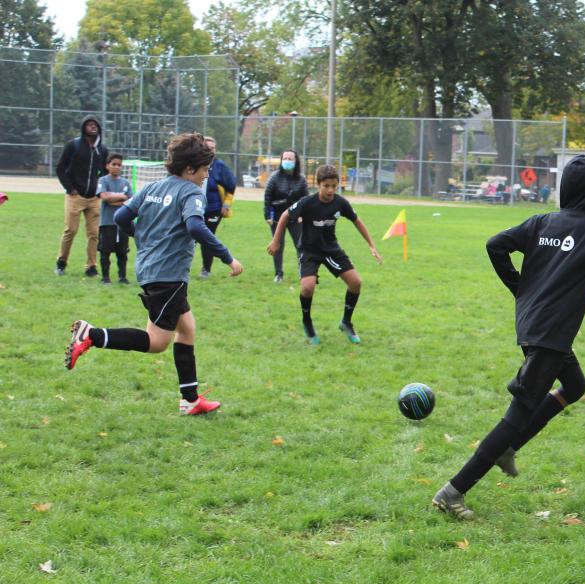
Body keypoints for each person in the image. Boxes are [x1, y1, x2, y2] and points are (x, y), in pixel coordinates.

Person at [432, 155, 585, 519]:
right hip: (550, 334)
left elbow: (496, 244)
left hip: (535, 326)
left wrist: (520, 288)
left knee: (574, 385)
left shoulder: (542, 222)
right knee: (518, 412)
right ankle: (452, 492)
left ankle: (510, 448)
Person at [64, 133, 244, 415]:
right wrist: (228, 257)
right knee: (158, 342)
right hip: (168, 276)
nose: (207, 175)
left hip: (152, 269)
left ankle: (190, 400)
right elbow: (196, 227)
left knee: (187, 329)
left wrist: (143, 238)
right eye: (205, 170)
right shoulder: (191, 192)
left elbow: (123, 217)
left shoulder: (153, 187)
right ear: (189, 169)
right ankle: (92, 335)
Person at [267, 164, 382, 345]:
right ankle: (307, 322)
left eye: (334, 186)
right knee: (307, 287)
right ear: (318, 185)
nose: (330, 190)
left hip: (330, 249)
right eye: (326, 186)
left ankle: (346, 322)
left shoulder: (340, 203)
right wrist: (276, 241)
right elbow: (284, 216)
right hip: (309, 250)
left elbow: (357, 221)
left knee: (356, 283)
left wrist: (372, 245)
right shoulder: (307, 202)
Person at [55, 115, 109, 277]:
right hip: (75, 196)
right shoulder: (74, 145)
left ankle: (91, 267)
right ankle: (61, 263)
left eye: (95, 125)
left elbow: (105, 172)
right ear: (83, 128)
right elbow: (60, 168)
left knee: (94, 234)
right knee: (70, 230)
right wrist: (70, 188)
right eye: (89, 125)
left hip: (94, 199)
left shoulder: (102, 150)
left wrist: (100, 189)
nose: (93, 127)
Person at [263, 149, 309, 282]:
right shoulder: (274, 178)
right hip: (277, 218)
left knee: (300, 245)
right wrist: (267, 215)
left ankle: (304, 273)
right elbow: (267, 197)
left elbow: (305, 199)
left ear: (296, 161)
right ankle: (278, 274)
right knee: (278, 245)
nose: (287, 161)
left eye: (290, 159)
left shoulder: (301, 179)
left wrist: (303, 216)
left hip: (295, 218)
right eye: (285, 158)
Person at [198, 136, 236, 278]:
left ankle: (206, 269)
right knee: (191, 237)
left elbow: (231, 186)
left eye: (213, 149)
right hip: (196, 208)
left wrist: (226, 205)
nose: (211, 151)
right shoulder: (195, 165)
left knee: (207, 238)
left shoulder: (220, 166)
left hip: (213, 209)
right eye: (208, 148)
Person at [96, 153, 134, 284]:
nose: (117, 167)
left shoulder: (125, 182)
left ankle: (122, 277)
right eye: (114, 164)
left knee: (122, 252)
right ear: (107, 166)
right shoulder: (103, 181)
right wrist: (121, 197)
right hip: (107, 222)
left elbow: (129, 200)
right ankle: (105, 277)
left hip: (122, 224)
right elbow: (104, 197)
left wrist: (115, 198)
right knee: (105, 251)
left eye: (119, 165)